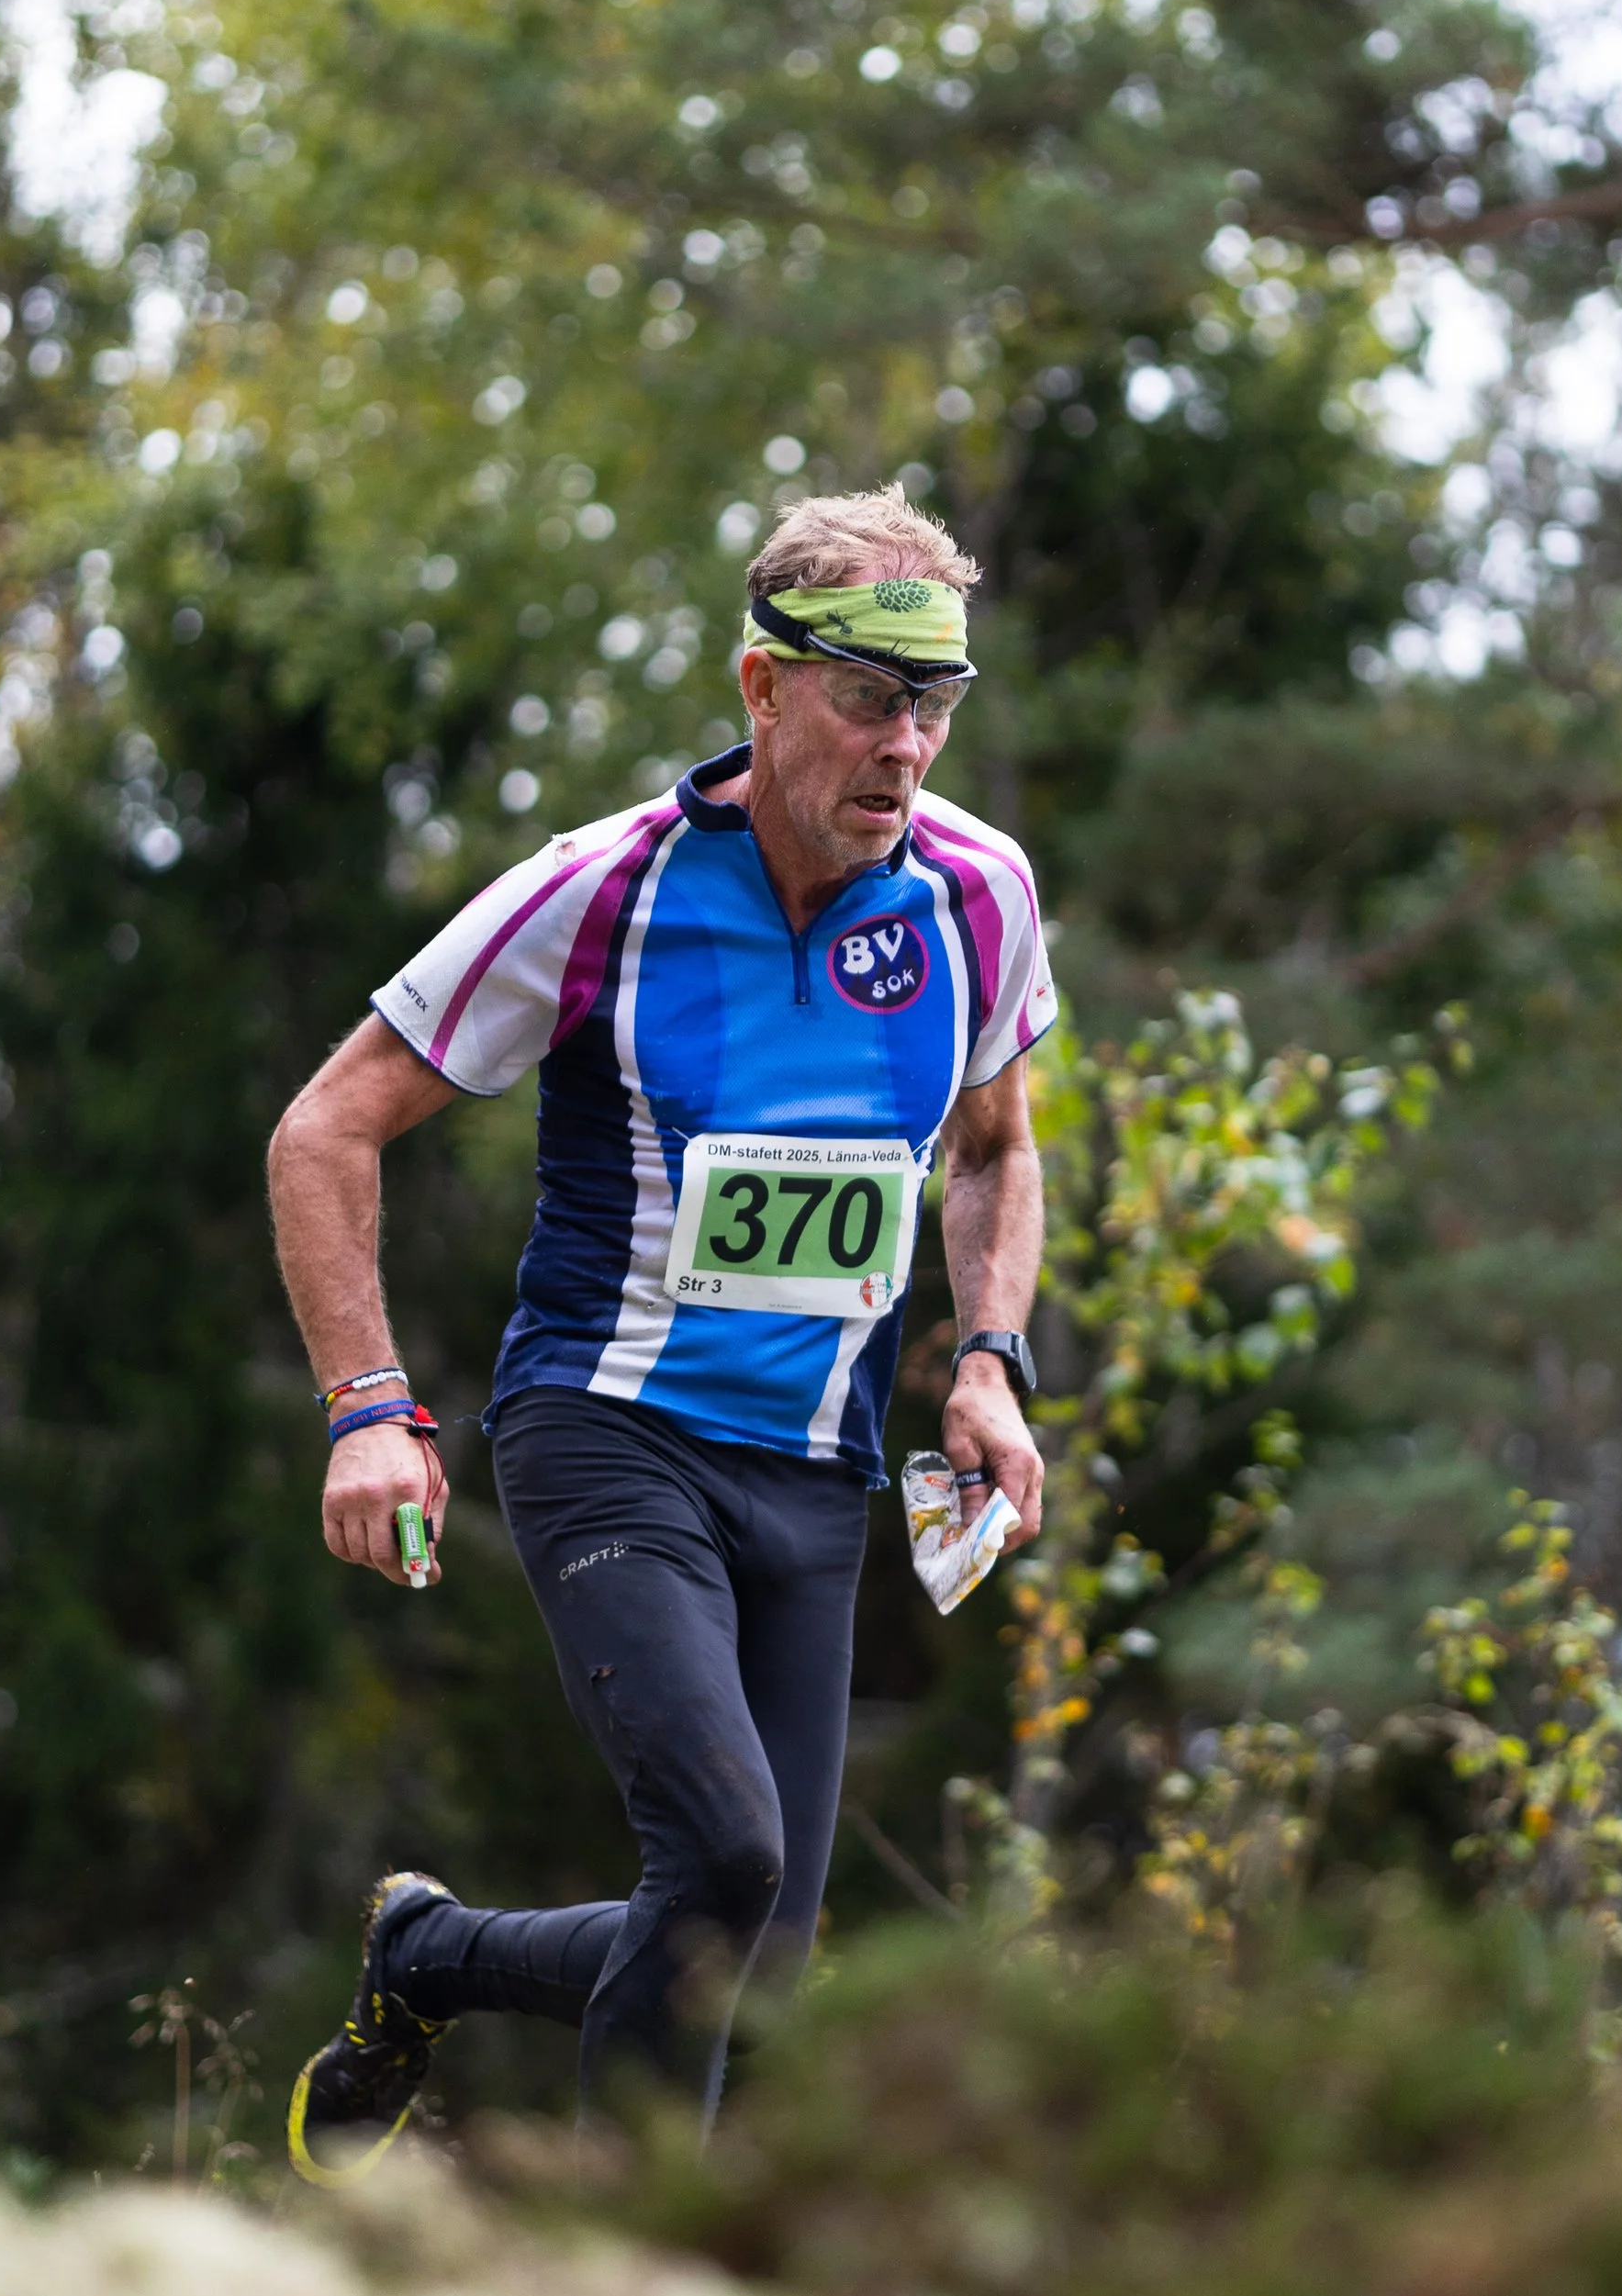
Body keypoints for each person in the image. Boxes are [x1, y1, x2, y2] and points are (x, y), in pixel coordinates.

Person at [267, 484, 1057, 2180]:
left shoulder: (980, 894)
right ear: (763, 690)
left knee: (740, 1956)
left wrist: (989, 1362)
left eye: (934, 705)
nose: (905, 746)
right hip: (605, 1429)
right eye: (866, 697)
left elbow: (994, 1150)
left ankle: (431, 1958)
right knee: (718, 1851)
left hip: (815, 1472)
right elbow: (323, 1130)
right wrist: (366, 1406)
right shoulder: (598, 895)